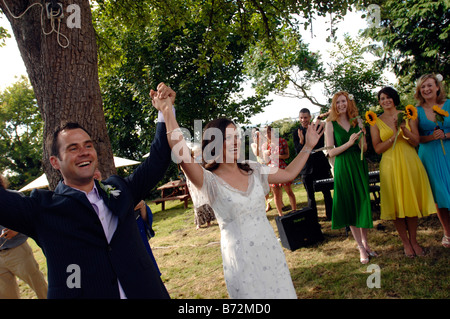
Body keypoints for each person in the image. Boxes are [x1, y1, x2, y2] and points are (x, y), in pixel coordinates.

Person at [0, 83, 174, 299]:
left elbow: (158, 160)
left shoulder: (120, 189)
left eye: (88, 145)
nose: (84, 152)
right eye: (73, 148)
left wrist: (164, 111)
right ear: (55, 162)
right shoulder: (41, 209)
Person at [151, 83, 324, 298]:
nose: (237, 142)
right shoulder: (209, 181)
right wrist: (168, 111)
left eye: (238, 136)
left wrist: (308, 146)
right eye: (229, 138)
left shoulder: (253, 169)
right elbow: (180, 150)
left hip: (270, 253)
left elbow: (288, 174)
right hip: (241, 264)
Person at [370, 87, 436, 257]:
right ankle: (405, 243)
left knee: (410, 202)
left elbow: (416, 142)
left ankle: (414, 240)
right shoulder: (375, 121)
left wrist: (403, 129)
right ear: (379, 102)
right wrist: (393, 136)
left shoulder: (407, 115)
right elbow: (377, 148)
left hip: (409, 161)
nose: (386, 101)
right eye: (382, 98)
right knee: (396, 204)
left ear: (394, 98)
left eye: (389, 97)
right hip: (390, 165)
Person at [325, 91, 375, 264]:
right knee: (349, 204)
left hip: (358, 164)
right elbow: (329, 152)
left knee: (361, 201)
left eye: (344, 101)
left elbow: (365, 148)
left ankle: (366, 243)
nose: (341, 105)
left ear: (349, 103)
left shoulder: (358, 121)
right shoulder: (330, 124)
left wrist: (362, 138)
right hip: (343, 166)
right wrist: (348, 143)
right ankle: (360, 247)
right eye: (338, 102)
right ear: (334, 104)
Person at [414, 73, 450, 248]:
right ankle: (447, 233)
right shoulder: (416, 111)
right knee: (439, 194)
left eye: (429, 85)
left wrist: (445, 135)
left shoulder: (449, 104)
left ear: (437, 87)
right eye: (423, 87)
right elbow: (416, 139)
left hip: (448, 151)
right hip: (429, 155)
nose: (426, 89)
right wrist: (433, 138)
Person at [0, 177, 48, 299]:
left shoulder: (14, 196)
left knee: (40, 288)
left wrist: (16, 229)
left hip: (18, 251)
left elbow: (34, 221)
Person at [293, 108, 333, 221]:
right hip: (306, 168)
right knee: (310, 195)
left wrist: (307, 144)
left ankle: (331, 216)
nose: (303, 120)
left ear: (310, 117)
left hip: (320, 164)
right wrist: (301, 142)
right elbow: (297, 151)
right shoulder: (296, 132)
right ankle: (313, 219)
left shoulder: (316, 128)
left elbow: (318, 144)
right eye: (301, 117)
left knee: (327, 192)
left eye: (305, 117)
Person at [262, 126, 296, 216]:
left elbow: (287, 155)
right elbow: (266, 161)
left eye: (269, 132)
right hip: (272, 170)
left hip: (282, 168)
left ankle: (294, 211)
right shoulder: (264, 146)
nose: (267, 135)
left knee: (289, 191)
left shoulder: (282, 141)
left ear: (273, 132)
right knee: (276, 195)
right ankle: (280, 215)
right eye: (265, 133)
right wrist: (266, 154)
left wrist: (276, 156)